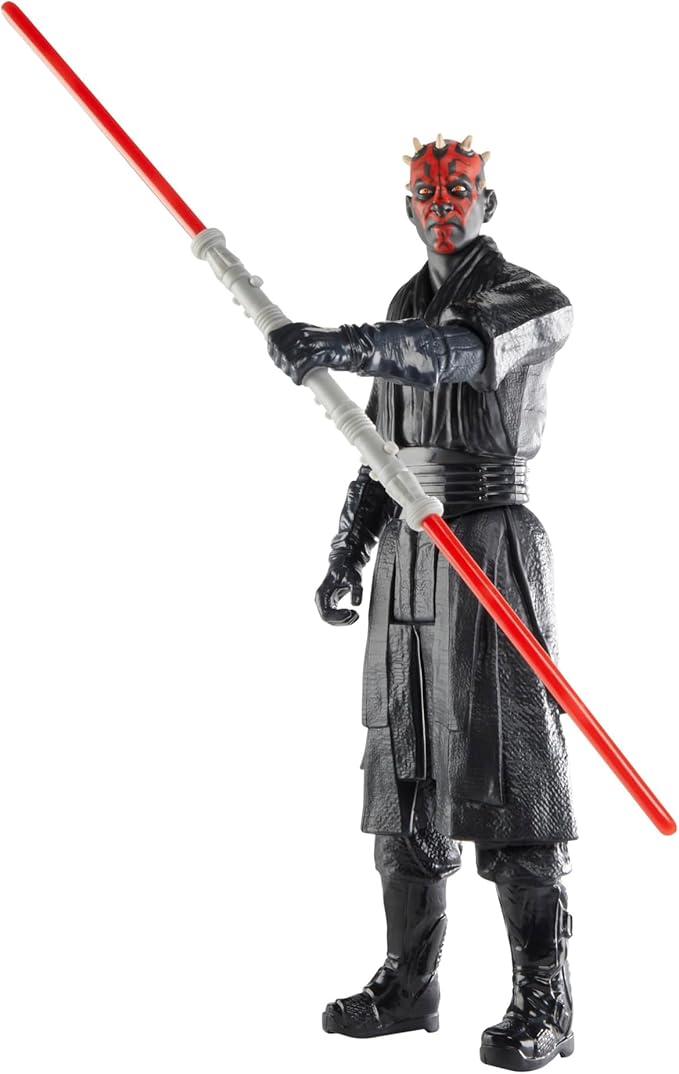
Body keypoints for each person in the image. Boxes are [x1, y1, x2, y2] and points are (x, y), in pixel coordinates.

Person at [267, 134, 576, 1072]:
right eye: (426, 192)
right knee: (400, 769)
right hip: (410, 554)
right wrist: (347, 550)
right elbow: (380, 447)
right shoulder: (404, 306)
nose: (443, 203)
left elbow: (449, 357)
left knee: (509, 770)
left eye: (459, 189)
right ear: (408, 207)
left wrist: (341, 342)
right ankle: (409, 982)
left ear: (488, 201)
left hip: (489, 544)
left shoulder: (532, 301)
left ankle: (544, 998)